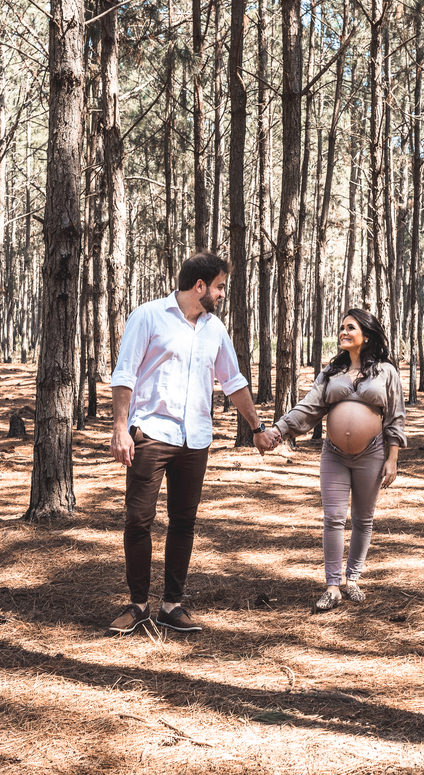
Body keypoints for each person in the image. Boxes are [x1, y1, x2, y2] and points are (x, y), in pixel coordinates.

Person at [108, 252, 280, 635]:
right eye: (219, 287)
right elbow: (124, 375)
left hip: (195, 439)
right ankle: (137, 605)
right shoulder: (148, 316)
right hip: (150, 434)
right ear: (199, 285)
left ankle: (172, 605)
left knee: (183, 522)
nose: (221, 294)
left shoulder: (214, 329)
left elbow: (233, 381)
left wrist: (256, 427)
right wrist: (120, 429)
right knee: (138, 519)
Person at [273, 308, 406, 611]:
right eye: (342, 328)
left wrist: (392, 458)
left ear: (367, 335)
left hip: (371, 453)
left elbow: (396, 418)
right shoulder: (331, 372)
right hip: (333, 454)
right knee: (333, 517)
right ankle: (332, 586)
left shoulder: (386, 372)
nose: (343, 332)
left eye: (351, 328)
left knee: (362, 518)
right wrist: (279, 431)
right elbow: (308, 407)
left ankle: (353, 579)